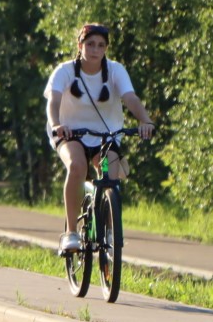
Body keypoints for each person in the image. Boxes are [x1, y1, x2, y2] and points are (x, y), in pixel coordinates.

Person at [46, 22, 154, 252]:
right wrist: (57, 125)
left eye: (101, 45)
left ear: (106, 48)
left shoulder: (115, 70)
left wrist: (145, 121)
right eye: (90, 44)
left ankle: (108, 230)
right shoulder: (64, 71)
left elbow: (130, 98)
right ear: (80, 45)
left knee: (109, 178)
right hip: (70, 133)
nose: (95, 49)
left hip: (106, 136)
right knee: (76, 165)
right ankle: (71, 233)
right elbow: (53, 101)